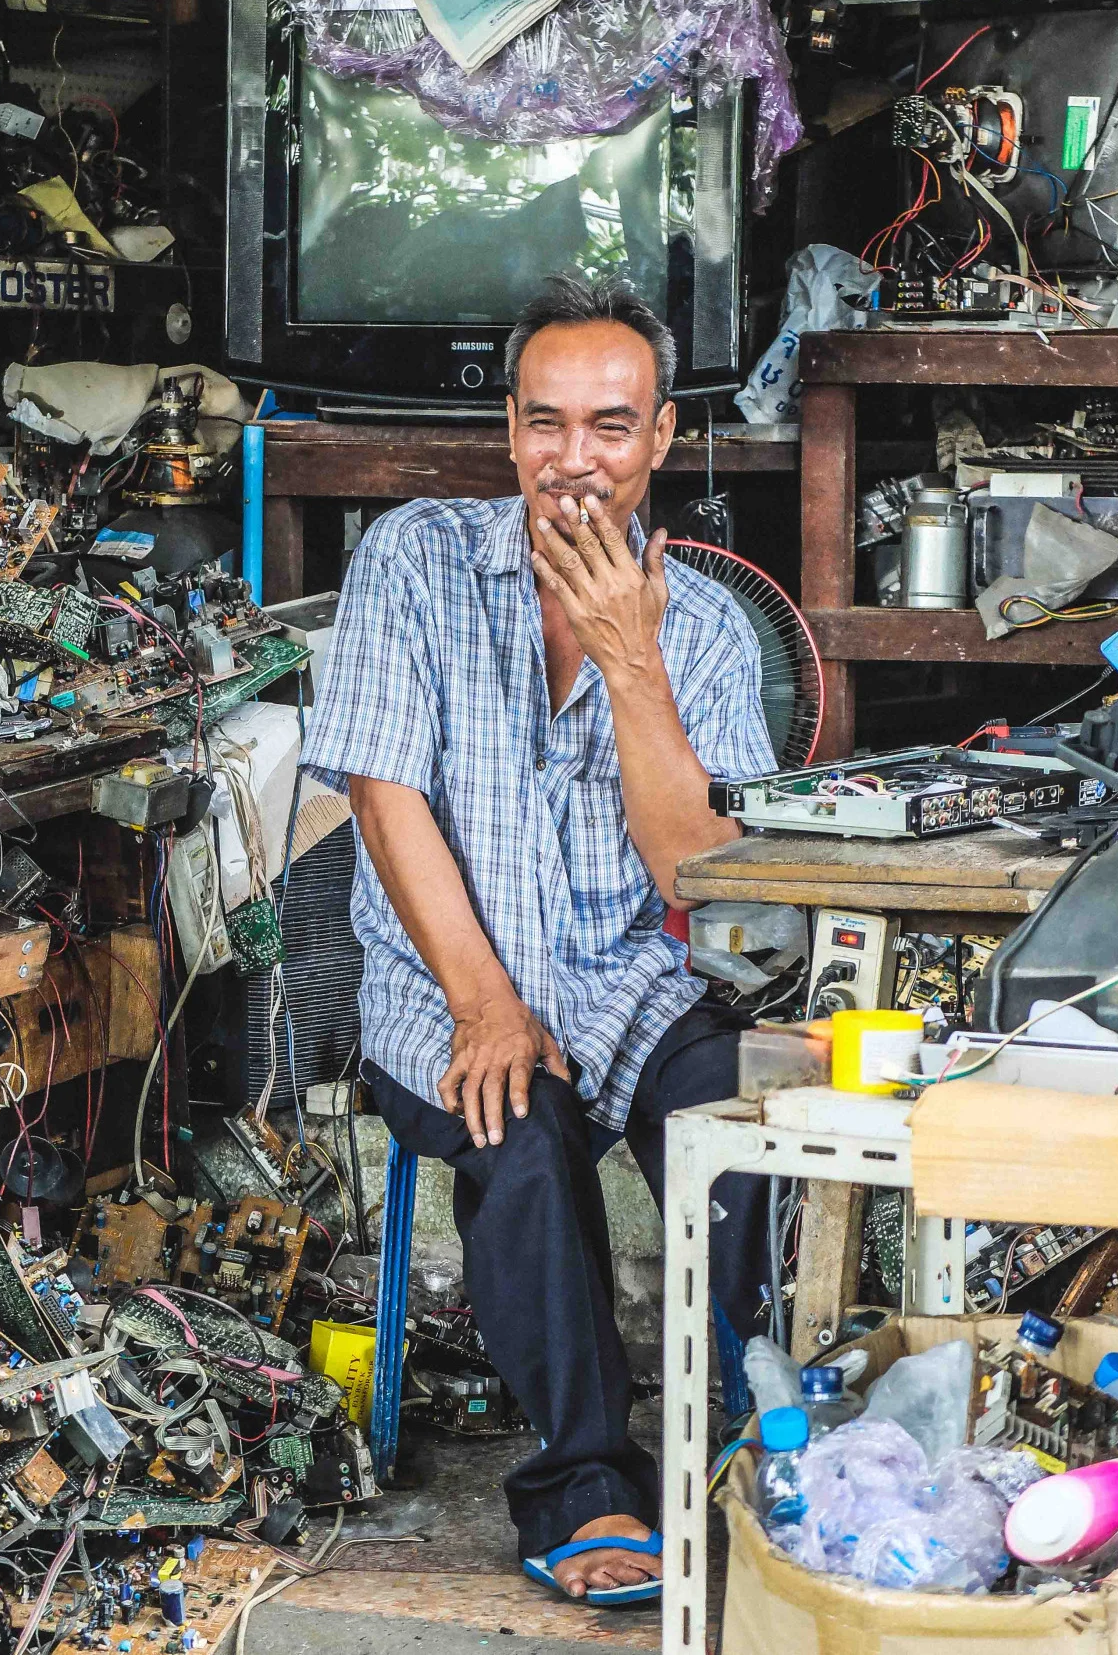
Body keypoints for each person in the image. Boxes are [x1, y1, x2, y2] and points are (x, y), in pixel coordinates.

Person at [300, 273, 776, 1607]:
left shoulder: (710, 631)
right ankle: (585, 1482)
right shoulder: (415, 561)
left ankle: (761, 1440)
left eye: (611, 425)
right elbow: (384, 799)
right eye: (548, 422)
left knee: (744, 1119)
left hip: (633, 982)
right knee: (521, 1130)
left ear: (661, 437)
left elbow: (690, 874)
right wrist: (486, 1002)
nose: (577, 458)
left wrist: (633, 661)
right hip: (439, 983)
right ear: (510, 431)